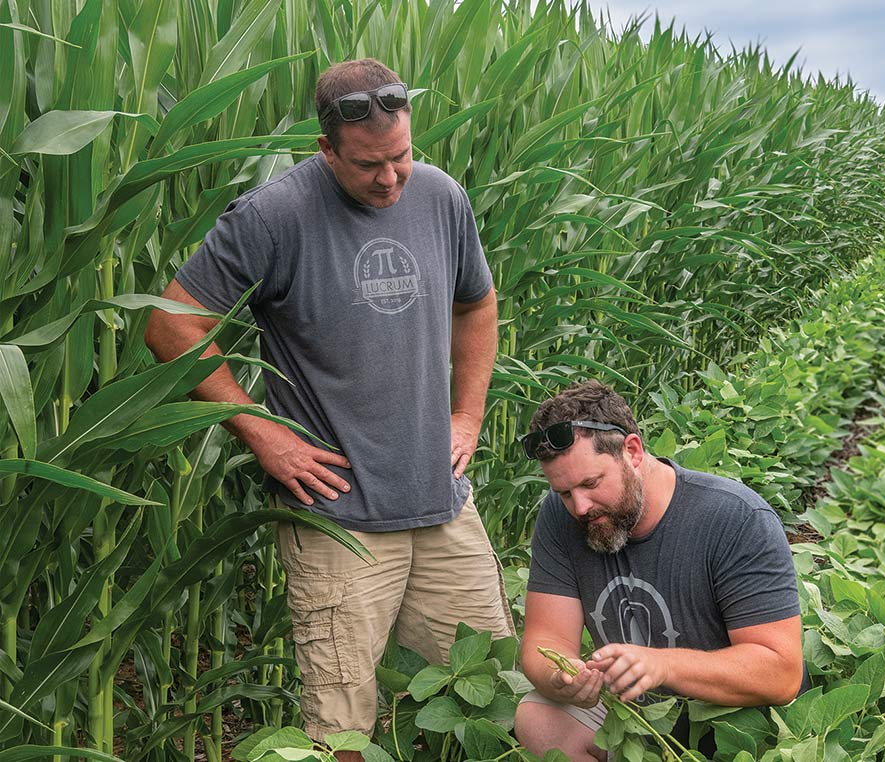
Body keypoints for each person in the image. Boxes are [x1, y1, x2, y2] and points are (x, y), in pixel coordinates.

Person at [145, 59, 512, 756]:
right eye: (368, 165)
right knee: (343, 730)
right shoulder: (274, 215)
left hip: (443, 503)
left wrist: (467, 416)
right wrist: (261, 433)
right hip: (338, 520)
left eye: (401, 156)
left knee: (493, 691)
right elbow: (170, 324)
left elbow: (478, 302)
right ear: (325, 149)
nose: (390, 179)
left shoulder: (440, 196)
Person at [513, 380, 805, 761]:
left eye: (590, 483)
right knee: (538, 715)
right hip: (640, 719)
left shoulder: (735, 518)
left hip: (733, 725)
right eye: (565, 492)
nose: (580, 507)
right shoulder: (561, 515)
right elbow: (544, 639)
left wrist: (662, 665)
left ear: (632, 451)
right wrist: (563, 676)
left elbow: (780, 674)